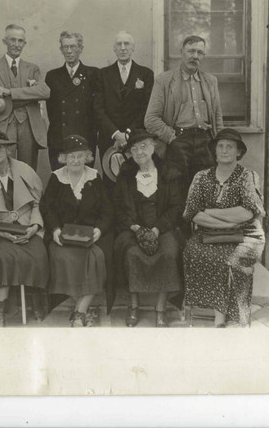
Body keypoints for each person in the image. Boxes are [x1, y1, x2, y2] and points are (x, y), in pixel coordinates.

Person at [183, 129, 265, 327]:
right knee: (192, 252)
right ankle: (217, 315)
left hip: (246, 235)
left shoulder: (247, 176)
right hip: (210, 234)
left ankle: (235, 318)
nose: (224, 150)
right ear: (214, 151)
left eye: (230, 146)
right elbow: (192, 212)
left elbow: (248, 212)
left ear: (238, 151)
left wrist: (209, 211)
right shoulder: (201, 177)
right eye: (220, 146)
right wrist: (228, 224)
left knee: (232, 261)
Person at [0, 131, 49, 326]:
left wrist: (34, 227)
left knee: (39, 254)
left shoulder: (25, 170)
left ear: (8, 150)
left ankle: (37, 301)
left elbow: (38, 203)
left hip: (27, 225)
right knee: (2, 256)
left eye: (0, 147)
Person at [40, 135, 113, 327]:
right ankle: (80, 311)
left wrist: (99, 230)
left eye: (80, 156)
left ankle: (79, 312)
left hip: (90, 235)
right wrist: (55, 230)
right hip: (63, 236)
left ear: (87, 157)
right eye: (71, 157)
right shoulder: (56, 178)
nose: (75, 161)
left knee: (97, 259)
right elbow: (46, 208)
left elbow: (107, 210)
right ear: (64, 158)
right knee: (62, 258)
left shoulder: (94, 177)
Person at [113, 130, 184, 327]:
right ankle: (133, 305)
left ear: (153, 147)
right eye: (134, 149)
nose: (139, 152)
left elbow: (176, 206)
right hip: (133, 228)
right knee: (131, 253)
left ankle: (160, 308)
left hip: (163, 227)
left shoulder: (168, 173)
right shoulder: (126, 175)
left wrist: (158, 229)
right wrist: (134, 227)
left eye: (143, 146)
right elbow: (118, 206)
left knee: (169, 253)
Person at [144, 35, 223, 189]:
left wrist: (218, 144)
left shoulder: (211, 81)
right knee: (178, 191)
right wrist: (173, 138)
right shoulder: (164, 80)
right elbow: (151, 119)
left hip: (205, 141)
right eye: (191, 51)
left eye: (200, 53)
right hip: (178, 139)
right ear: (182, 52)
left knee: (206, 189)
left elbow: (217, 118)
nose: (195, 56)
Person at [0, 24, 50, 170]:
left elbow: (44, 92)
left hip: (29, 124)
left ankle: (27, 194)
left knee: (28, 168)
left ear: (24, 43)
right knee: (3, 167)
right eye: (13, 40)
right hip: (2, 124)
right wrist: (28, 94)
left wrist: (9, 92)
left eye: (20, 41)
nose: (17, 44)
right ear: (5, 41)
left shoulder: (32, 68)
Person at [94, 31, 154, 186]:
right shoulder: (102, 74)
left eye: (126, 44)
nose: (123, 48)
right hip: (109, 138)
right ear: (114, 49)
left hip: (135, 138)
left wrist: (127, 133)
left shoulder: (146, 74)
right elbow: (98, 109)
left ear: (133, 48)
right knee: (110, 181)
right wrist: (116, 134)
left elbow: (146, 107)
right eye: (119, 44)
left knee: (135, 180)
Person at [45, 31, 100, 171]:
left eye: (73, 47)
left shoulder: (93, 74)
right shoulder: (52, 76)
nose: (69, 51)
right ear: (61, 50)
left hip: (85, 138)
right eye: (65, 47)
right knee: (61, 183)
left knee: (83, 182)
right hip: (59, 140)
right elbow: (51, 111)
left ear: (80, 49)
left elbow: (97, 109)